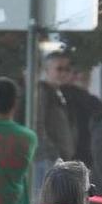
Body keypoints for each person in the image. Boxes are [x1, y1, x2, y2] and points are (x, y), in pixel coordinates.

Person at [31, 51, 78, 189]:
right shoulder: (41, 92)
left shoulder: (58, 92)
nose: (64, 73)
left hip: (59, 159)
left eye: (67, 69)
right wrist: (52, 153)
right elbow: (37, 124)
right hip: (47, 159)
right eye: (59, 69)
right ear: (46, 70)